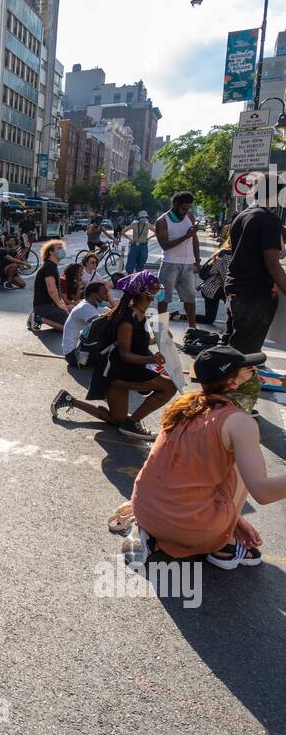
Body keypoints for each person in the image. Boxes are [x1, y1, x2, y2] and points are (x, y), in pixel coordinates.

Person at [130, 346, 284, 568]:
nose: (254, 373)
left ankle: (156, 536)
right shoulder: (240, 423)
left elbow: (182, 474)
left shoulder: (184, 406)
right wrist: (228, 523)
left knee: (224, 460)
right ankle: (225, 548)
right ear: (233, 382)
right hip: (189, 527)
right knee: (244, 467)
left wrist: (236, 519)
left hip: (146, 510)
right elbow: (262, 492)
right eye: (249, 369)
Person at [50, 270, 177, 440]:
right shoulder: (128, 317)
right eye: (156, 287)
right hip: (115, 372)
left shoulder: (140, 314)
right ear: (145, 291)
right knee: (169, 386)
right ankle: (133, 423)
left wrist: (156, 341)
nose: (160, 290)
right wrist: (151, 359)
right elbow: (125, 354)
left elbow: (133, 342)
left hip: (122, 370)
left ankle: (69, 399)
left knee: (117, 419)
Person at [222, 202, 286, 353]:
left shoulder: (242, 216)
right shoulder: (268, 220)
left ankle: (223, 373)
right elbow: (273, 263)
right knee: (244, 355)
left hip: (236, 288)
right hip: (254, 294)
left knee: (231, 349)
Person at [155, 191, 200, 330]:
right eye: (183, 209)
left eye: (188, 209)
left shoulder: (190, 217)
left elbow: (194, 239)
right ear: (175, 204)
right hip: (169, 263)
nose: (185, 211)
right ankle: (162, 329)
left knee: (190, 298)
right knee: (163, 298)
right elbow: (165, 245)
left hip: (188, 265)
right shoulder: (162, 221)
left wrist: (197, 260)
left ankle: (193, 327)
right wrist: (186, 236)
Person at [61, 280, 111, 367]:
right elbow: (100, 325)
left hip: (79, 350)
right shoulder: (85, 307)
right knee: (109, 331)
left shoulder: (94, 306)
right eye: (105, 292)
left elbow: (112, 313)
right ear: (94, 295)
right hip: (74, 355)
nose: (108, 294)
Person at [28, 240, 70, 331]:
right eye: (59, 248)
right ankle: (38, 318)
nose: (62, 250)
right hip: (45, 307)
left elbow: (56, 290)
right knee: (70, 328)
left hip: (50, 305)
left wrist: (62, 303)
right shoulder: (49, 267)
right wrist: (60, 305)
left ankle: (39, 316)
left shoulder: (52, 266)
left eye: (62, 248)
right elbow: (51, 289)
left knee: (71, 313)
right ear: (50, 252)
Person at [125, 210, 151, 274]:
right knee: (131, 262)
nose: (144, 219)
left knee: (142, 261)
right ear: (139, 218)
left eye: (145, 217)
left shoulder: (148, 225)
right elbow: (123, 232)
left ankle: (138, 276)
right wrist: (130, 239)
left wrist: (149, 238)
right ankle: (129, 276)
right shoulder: (134, 225)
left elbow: (156, 232)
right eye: (142, 217)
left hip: (144, 246)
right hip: (135, 245)